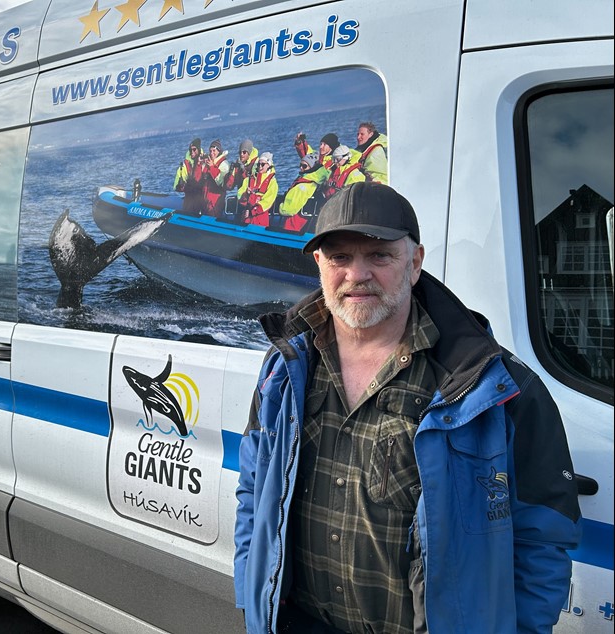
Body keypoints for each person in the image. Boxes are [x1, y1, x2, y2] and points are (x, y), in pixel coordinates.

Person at [234, 182, 582, 634]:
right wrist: (252, 593)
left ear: (414, 263)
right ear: (319, 265)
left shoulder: (495, 386)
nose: (357, 274)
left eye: (380, 256)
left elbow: (543, 537)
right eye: (340, 257)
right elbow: (253, 488)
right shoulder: (284, 368)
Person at [278, 152, 324, 232]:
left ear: (312, 167)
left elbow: (289, 210)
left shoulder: (303, 186)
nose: (301, 168)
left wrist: (280, 207)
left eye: (304, 166)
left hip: (295, 221)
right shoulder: (315, 181)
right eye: (300, 165)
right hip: (305, 220)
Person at [237, 152, 278, 226]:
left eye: (263, 164)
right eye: (259, 164)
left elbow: (267, 202)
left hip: (260, 219)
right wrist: (246, 194)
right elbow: (239, 196)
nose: (260, 167)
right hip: (246, 218)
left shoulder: (272, 183)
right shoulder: (248, 180)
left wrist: (252, 211)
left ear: (269, 165)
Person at [174, 137, 206, 214]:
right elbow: (176, 186)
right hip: (189, 201)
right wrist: (182, 186)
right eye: (190, 150)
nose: (192, 152)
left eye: (194, 149)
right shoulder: (185, 165)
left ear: (198, 150)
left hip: (202, 201)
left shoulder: (205, 162)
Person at [203, 139, 230, 216]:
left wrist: (212, 167)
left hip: (216, 202)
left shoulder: (224, 164)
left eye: (214, 151)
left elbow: (221, 182)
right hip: (207, 200)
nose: (212, 153)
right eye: (210, 151)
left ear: (219, 151)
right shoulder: (209, 162)